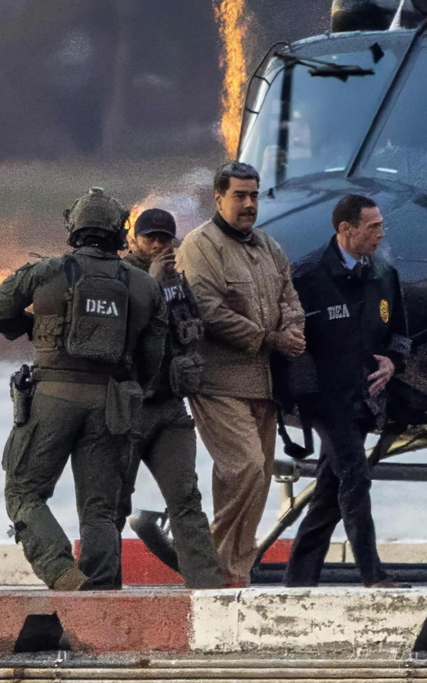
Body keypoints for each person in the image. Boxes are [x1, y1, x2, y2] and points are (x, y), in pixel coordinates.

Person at [0, 188, 168, 591]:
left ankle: (60, 569)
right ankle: (99, 591)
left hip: (52, 397)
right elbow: (153, 360)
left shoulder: (46, 272)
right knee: (101, 509)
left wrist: (36, 329)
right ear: (119, 233)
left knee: (24, 490)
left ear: (76, 228)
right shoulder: (143, 285)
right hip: (111, 402)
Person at [175, 162, 305, 587]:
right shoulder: (201, 245)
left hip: (264, 384)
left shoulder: (268, 247)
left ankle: (236, 571)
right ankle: (208, 563)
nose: (249, 204)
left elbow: (291, 297)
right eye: (239, 196)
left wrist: (293, 329)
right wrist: (270, 338)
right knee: (243, 468)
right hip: (218, 381)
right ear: (218, 198)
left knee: (259, 478)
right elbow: (208, 309)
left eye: (253, 195)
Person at [283, 194, 409, 588]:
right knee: (355, 476)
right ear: (346, 230)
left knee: (329, 490)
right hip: (324, 399)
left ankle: (298, 580)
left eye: (381, 225)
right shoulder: (306, 276)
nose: (381, 234)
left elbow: (400, 335)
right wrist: (299, 399)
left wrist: (392, 361)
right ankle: (373, 576)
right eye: (373, 227)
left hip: (363, 399)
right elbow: (288, 344)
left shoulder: (385, 274)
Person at [118, 208, 222, 588]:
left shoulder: (177, 281)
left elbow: (192, 330)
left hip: (170, 408)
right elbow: (122, 331)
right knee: (112, 504)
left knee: (186, 501)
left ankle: (208, 589)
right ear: (134, 241)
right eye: (151, 238)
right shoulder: (121, 277)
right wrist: (152, 282)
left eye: (165, 238)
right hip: (129, 409)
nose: (159, 245)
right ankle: (101, 589)